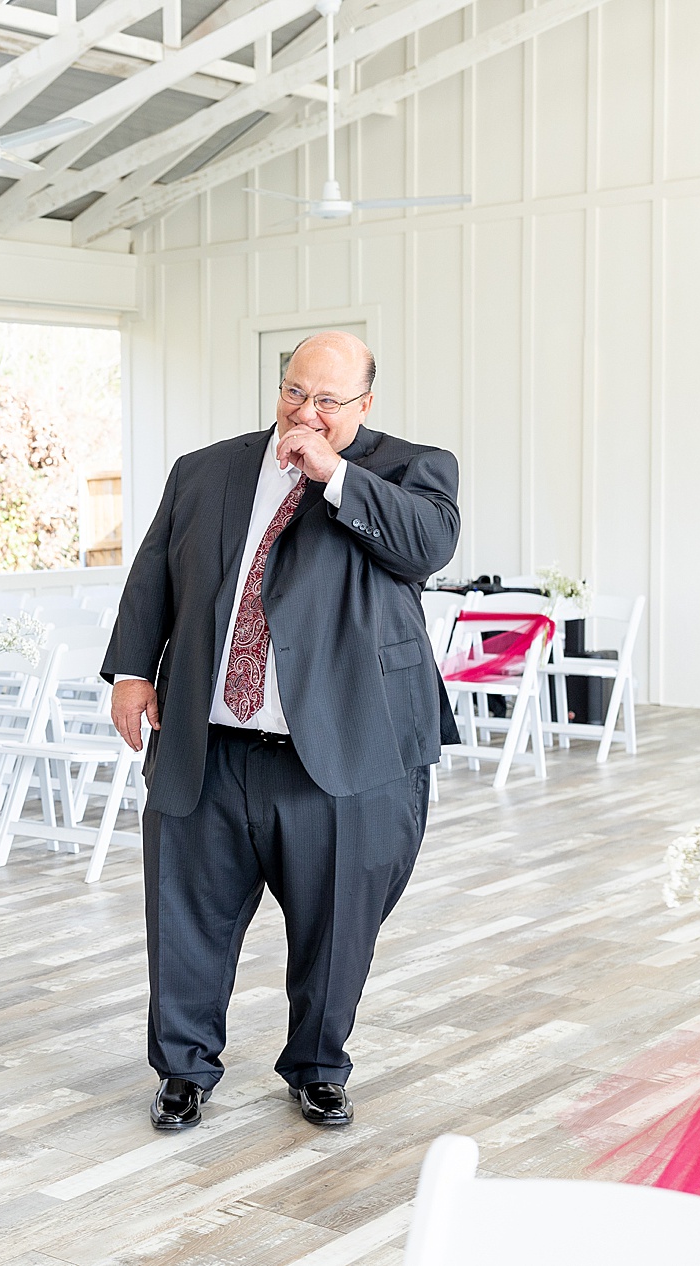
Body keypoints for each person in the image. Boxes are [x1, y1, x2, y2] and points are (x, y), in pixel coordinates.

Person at [103, 331, 460, 1134]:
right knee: (184, 918)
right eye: (296, 392)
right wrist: (131, 670)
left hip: (342, 751)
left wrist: (333, 473)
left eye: (329, 401)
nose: (307, 412)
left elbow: (426, 549)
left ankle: (318, 1068)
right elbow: (156, 569)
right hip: (210, 742)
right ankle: (183, 1071)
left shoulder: (410, 470)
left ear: (365, 405)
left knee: (339, 928)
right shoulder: (207, 469)